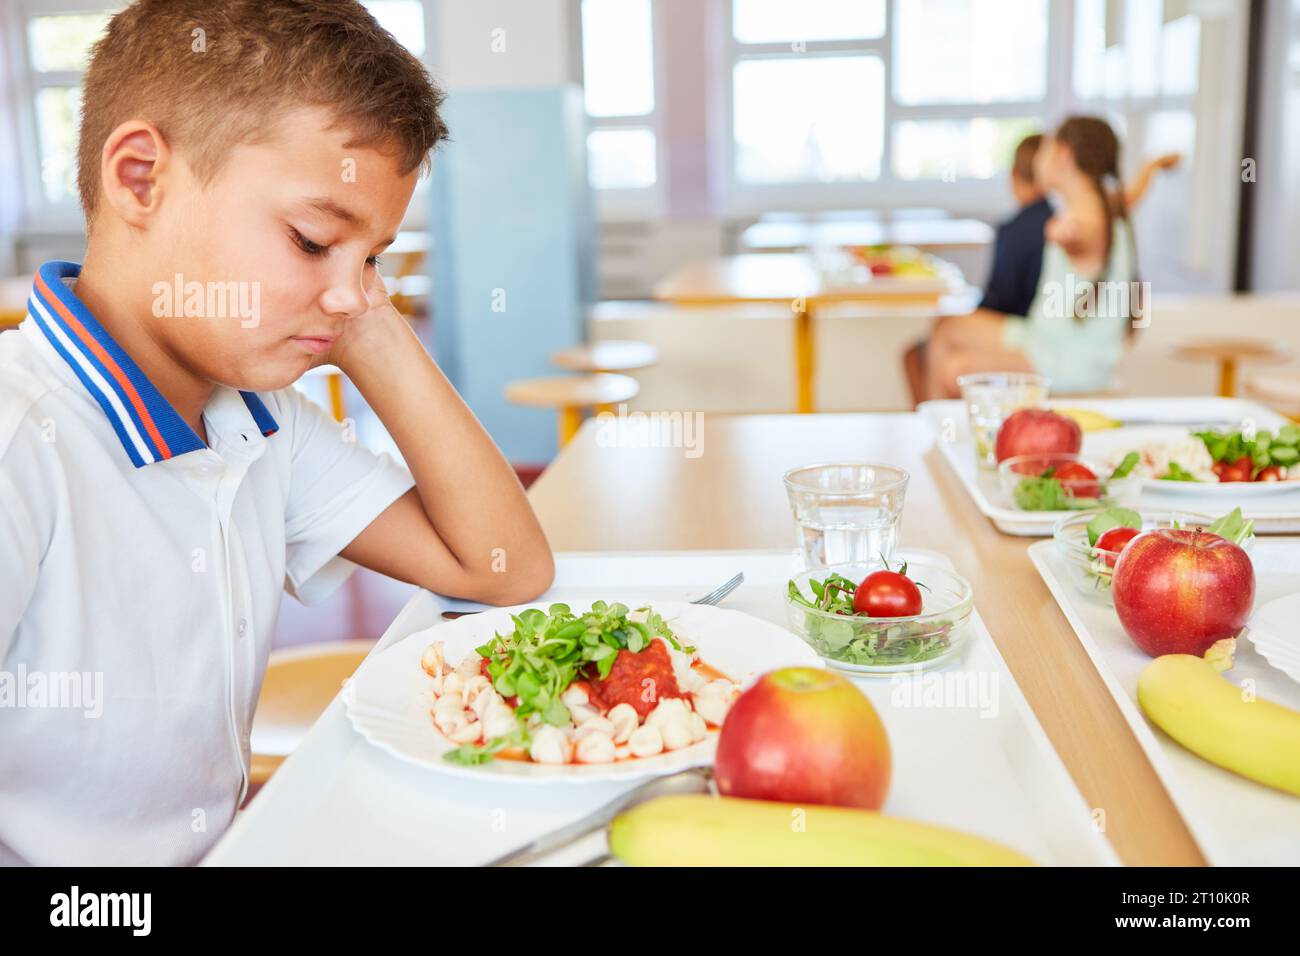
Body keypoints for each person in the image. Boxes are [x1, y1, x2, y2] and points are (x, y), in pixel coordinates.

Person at [0, 0, 555, 866]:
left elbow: (503, 569)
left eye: (371, 257)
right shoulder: (19, 447)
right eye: (310, 239)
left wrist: (361, 317)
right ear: (141, 177)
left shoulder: (260, 426)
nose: (349, 291)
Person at [903, 134, 1177, 404]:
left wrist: (1068, 236)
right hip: (1044, 336)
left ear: (1063, 155)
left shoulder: (1087, 218)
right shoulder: (1106, 204)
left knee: (953, 368)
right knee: (946, 327)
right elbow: (1132, 195)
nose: (1039, 161)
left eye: (1045, 150)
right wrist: (1150, 168)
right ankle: (938, 429)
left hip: (1068, 358)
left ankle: (944, 431)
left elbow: (1087, 235)